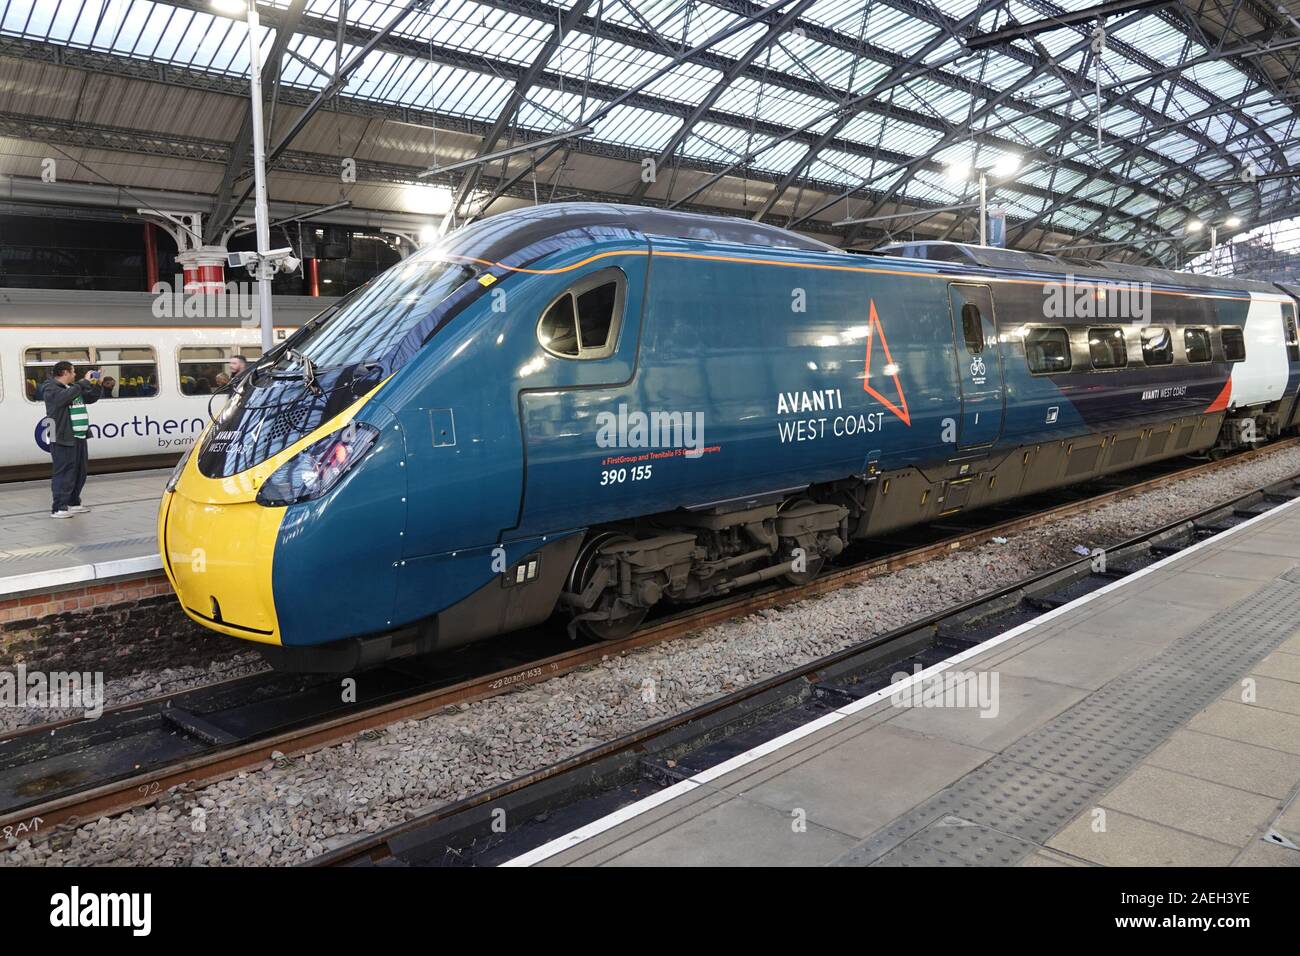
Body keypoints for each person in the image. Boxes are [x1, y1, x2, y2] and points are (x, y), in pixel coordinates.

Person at [41, 361, 101, 518]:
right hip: (62, 437)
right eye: (73, 372)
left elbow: (91, 398)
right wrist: (83, 382)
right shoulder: (50, 387)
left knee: (80, 471)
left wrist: (97, 384)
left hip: (79, 436)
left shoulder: (72, 388)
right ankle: (59, 507)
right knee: (64, 472)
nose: (75, 375)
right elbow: (62, 399)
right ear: (65, 372)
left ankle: (73, 502)